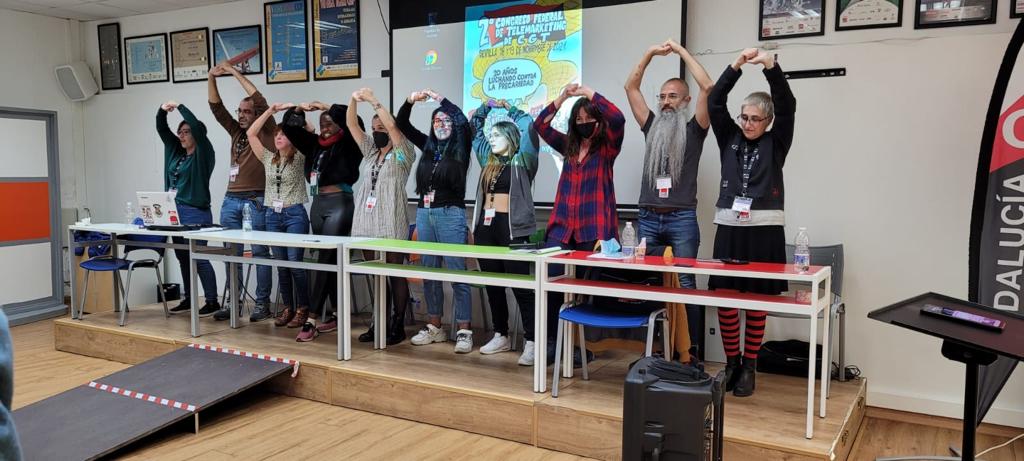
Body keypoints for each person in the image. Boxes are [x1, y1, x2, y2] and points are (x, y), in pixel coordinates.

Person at [708, 48, 796, 397]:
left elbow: (787, 104)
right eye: (744, 117)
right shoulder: (728, 136)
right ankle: (731, 363)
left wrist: (771, 67)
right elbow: (715, 101)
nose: (747, 124)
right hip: (729, 226)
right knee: (726, 297)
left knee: (757, 299)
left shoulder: (777, 141)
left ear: (768, 121)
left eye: (755, 119)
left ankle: (749, 367)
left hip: (765, 229)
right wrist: (736, 66)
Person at [624, 39, 713, 361]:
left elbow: (708, 86)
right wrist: (649, 53)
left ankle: (690, 354)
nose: (665, 102)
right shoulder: (651, 126)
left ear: (686, 101)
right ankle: (657, 351)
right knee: (650, 281)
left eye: (673, 96)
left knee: (685, 281)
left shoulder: (696, 129)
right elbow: (631, 87)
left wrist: (682, 52)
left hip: (682, 218)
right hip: (648, 217)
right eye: (662, 97)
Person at [534, 83, 626, 359]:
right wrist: (562, 97)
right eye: (579, 119)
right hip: (562, 228)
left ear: (598, 121)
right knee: (551, 285)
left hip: (593, 229)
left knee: (583, 292)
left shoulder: (607, 147)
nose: (584, 123)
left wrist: (588, 93)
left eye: (589, 118)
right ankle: (553, 342)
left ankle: (580, 347)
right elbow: (540, 125)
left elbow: (618, 118)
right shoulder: (569, 146)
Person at [396, 89, 474, 354]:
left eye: (445, 120)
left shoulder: (461, 147)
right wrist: (410, 101)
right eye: (436, 120)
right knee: (430, 272)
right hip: (424, 214)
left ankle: (464, 330)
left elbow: (462, 119)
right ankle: (435, 327)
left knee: (457, 273)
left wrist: (440, 99)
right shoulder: (428, 146)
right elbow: (402, 124)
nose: (441, 124)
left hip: (450, 214)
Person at [280, 101, 363, 342]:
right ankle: (337, 314)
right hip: (318, 204)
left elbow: (355, 121)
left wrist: (328, 107)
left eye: (330, 124)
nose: (325, 129)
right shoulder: (314, 144)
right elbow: (289, 128)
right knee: (330, 260)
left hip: (340, 203)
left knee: (325, 258)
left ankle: (312, 319)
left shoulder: (350, 142)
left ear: (340, 125)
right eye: (322, 124)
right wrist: (297, 110)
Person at [469, 99, 540, 364]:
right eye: (491, 135)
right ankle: (501, 334)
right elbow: (474, 129)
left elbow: (528, 124)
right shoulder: (487, 159)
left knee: (521, 288)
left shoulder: (524, 160)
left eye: (497, 134)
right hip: (486, 230)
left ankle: (532, 341)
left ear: (511, 137)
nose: (492, 138)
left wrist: (509, 108)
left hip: (513, 230)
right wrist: (486, 107)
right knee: (494, 286)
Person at [207, 61, 275, 322]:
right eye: (240, 111)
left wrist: (234, 72)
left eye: (247, 111)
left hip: (257, 199)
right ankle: (232, 302)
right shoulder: (236, 131)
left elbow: (259, 98)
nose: (242, 115)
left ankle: (262, 304)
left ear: (257, 114)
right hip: (231, 200)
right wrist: (212, 77)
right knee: (230, 254)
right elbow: (216, 108)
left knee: (260, 253)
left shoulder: (267, 129)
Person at [347, 88, 416, 345]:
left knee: (394, 272)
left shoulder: (403, 152)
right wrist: (354, 99)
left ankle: (398, 324)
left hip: (391, 219)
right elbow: (352, 125)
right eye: (374, 128)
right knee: (375, 274)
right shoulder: (370, 153)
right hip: (366, 221)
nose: (377, 132)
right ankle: (378, 322)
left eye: (382, 128)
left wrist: (375, 102)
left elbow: (395, 130)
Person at [246, 103, 314, 340]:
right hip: (272, 216)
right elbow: (251, 133)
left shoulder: (300, 156)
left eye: (283, 134)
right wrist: (270, 111)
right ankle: (288, 307)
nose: (278, 138)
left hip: (294, 214)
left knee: (295, 263)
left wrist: (300, 113)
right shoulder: (269, 158)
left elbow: (311, 132)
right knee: (282, 265)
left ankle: (303, 307)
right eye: (276, 134)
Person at [156, 100, 219, 315]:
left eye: (187, 132)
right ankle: (190, 299)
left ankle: (212, 301)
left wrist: (181, 107)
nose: (182, 136)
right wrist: (162, 111)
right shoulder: (176, 152)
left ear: (197, 135)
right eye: (180, 132)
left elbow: (197, 128)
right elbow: (162, 129)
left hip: (195, 213)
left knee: (199, 257)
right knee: (183, 257)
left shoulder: (204, 153)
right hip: (174, 212)